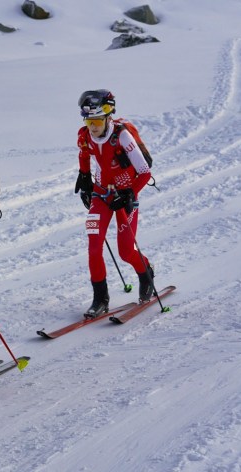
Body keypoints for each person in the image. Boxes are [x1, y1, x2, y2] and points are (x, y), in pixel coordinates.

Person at [75, 90, 155, 319]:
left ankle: (146, 274)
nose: (92, 126)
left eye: (97, 121)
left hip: (125, 196)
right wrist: (84, 179)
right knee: (93, 246)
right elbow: (84, 155)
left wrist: (130, 194)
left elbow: (144, 172)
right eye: (89, 121)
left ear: (108, 117)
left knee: (126, 251)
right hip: (101, 195)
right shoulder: (84, 135)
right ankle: (100, 299)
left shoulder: (121, 137)